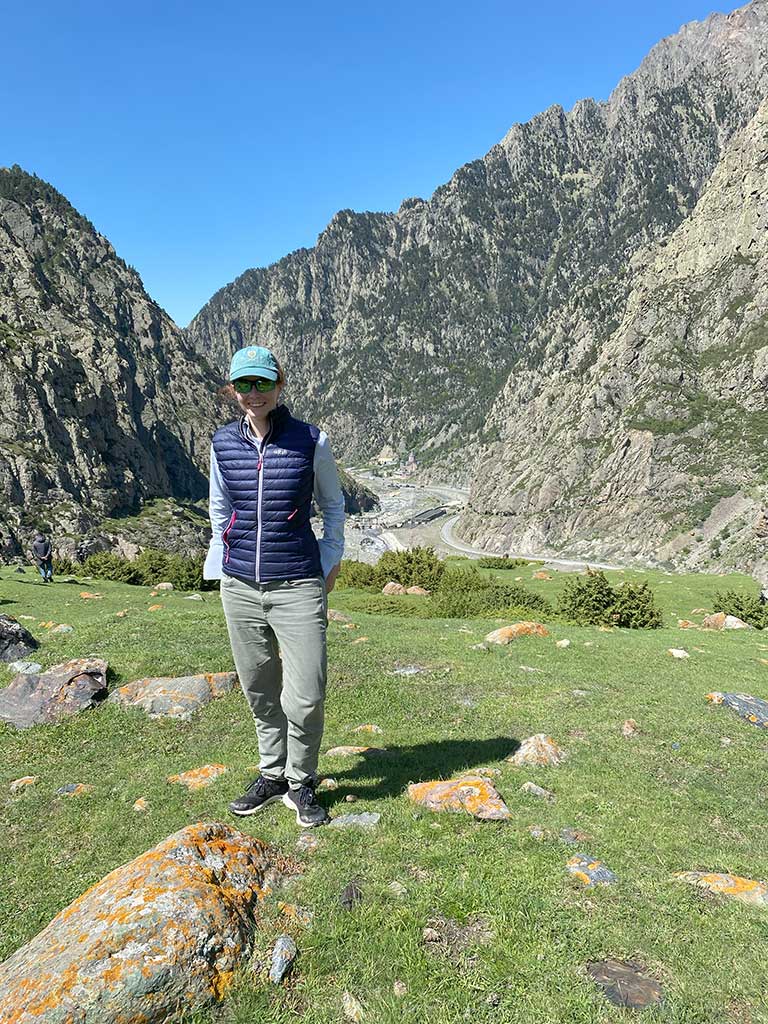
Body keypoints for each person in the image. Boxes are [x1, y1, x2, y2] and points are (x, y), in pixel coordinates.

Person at [204, 344, 345, 827]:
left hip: (298, 583)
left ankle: (301, 780)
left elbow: (332, 507)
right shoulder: (222, 443)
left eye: (262, 382)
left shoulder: (311, 441)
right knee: (260, 689)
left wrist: (329, 561)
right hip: (240, 586)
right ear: (233, 390)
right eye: (243, 384)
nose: (253, 393)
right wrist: (221, 564)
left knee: (305, 692)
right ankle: (273, 774)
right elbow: (221, 510)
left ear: (279, 385)